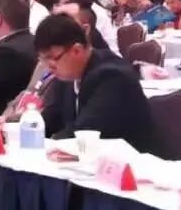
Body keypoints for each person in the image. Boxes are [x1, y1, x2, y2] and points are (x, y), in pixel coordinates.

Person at [33, 14, 158, 153]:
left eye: (51, 59)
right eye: (43, 59)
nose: (49, 67)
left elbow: (84, 133)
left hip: (127, 161)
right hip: (88, 160)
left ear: (76, 50)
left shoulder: (113, 77)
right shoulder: (67, 75)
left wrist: (49, 144)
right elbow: (51, 118)